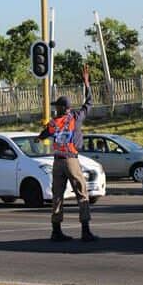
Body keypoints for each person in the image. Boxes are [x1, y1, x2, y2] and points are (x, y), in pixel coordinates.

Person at [38, 64, 98, 242]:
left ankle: (56, 230)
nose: (55, 109)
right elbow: (89, 102)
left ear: (62, 108)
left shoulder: (54, 122)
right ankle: (85, 230)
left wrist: (38, 138)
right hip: (71, 160)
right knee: (82, 193)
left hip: (57, 162)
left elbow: (44, 134)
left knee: (57, 195)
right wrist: (86, 84)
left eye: (57, 107)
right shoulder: (76, 118)